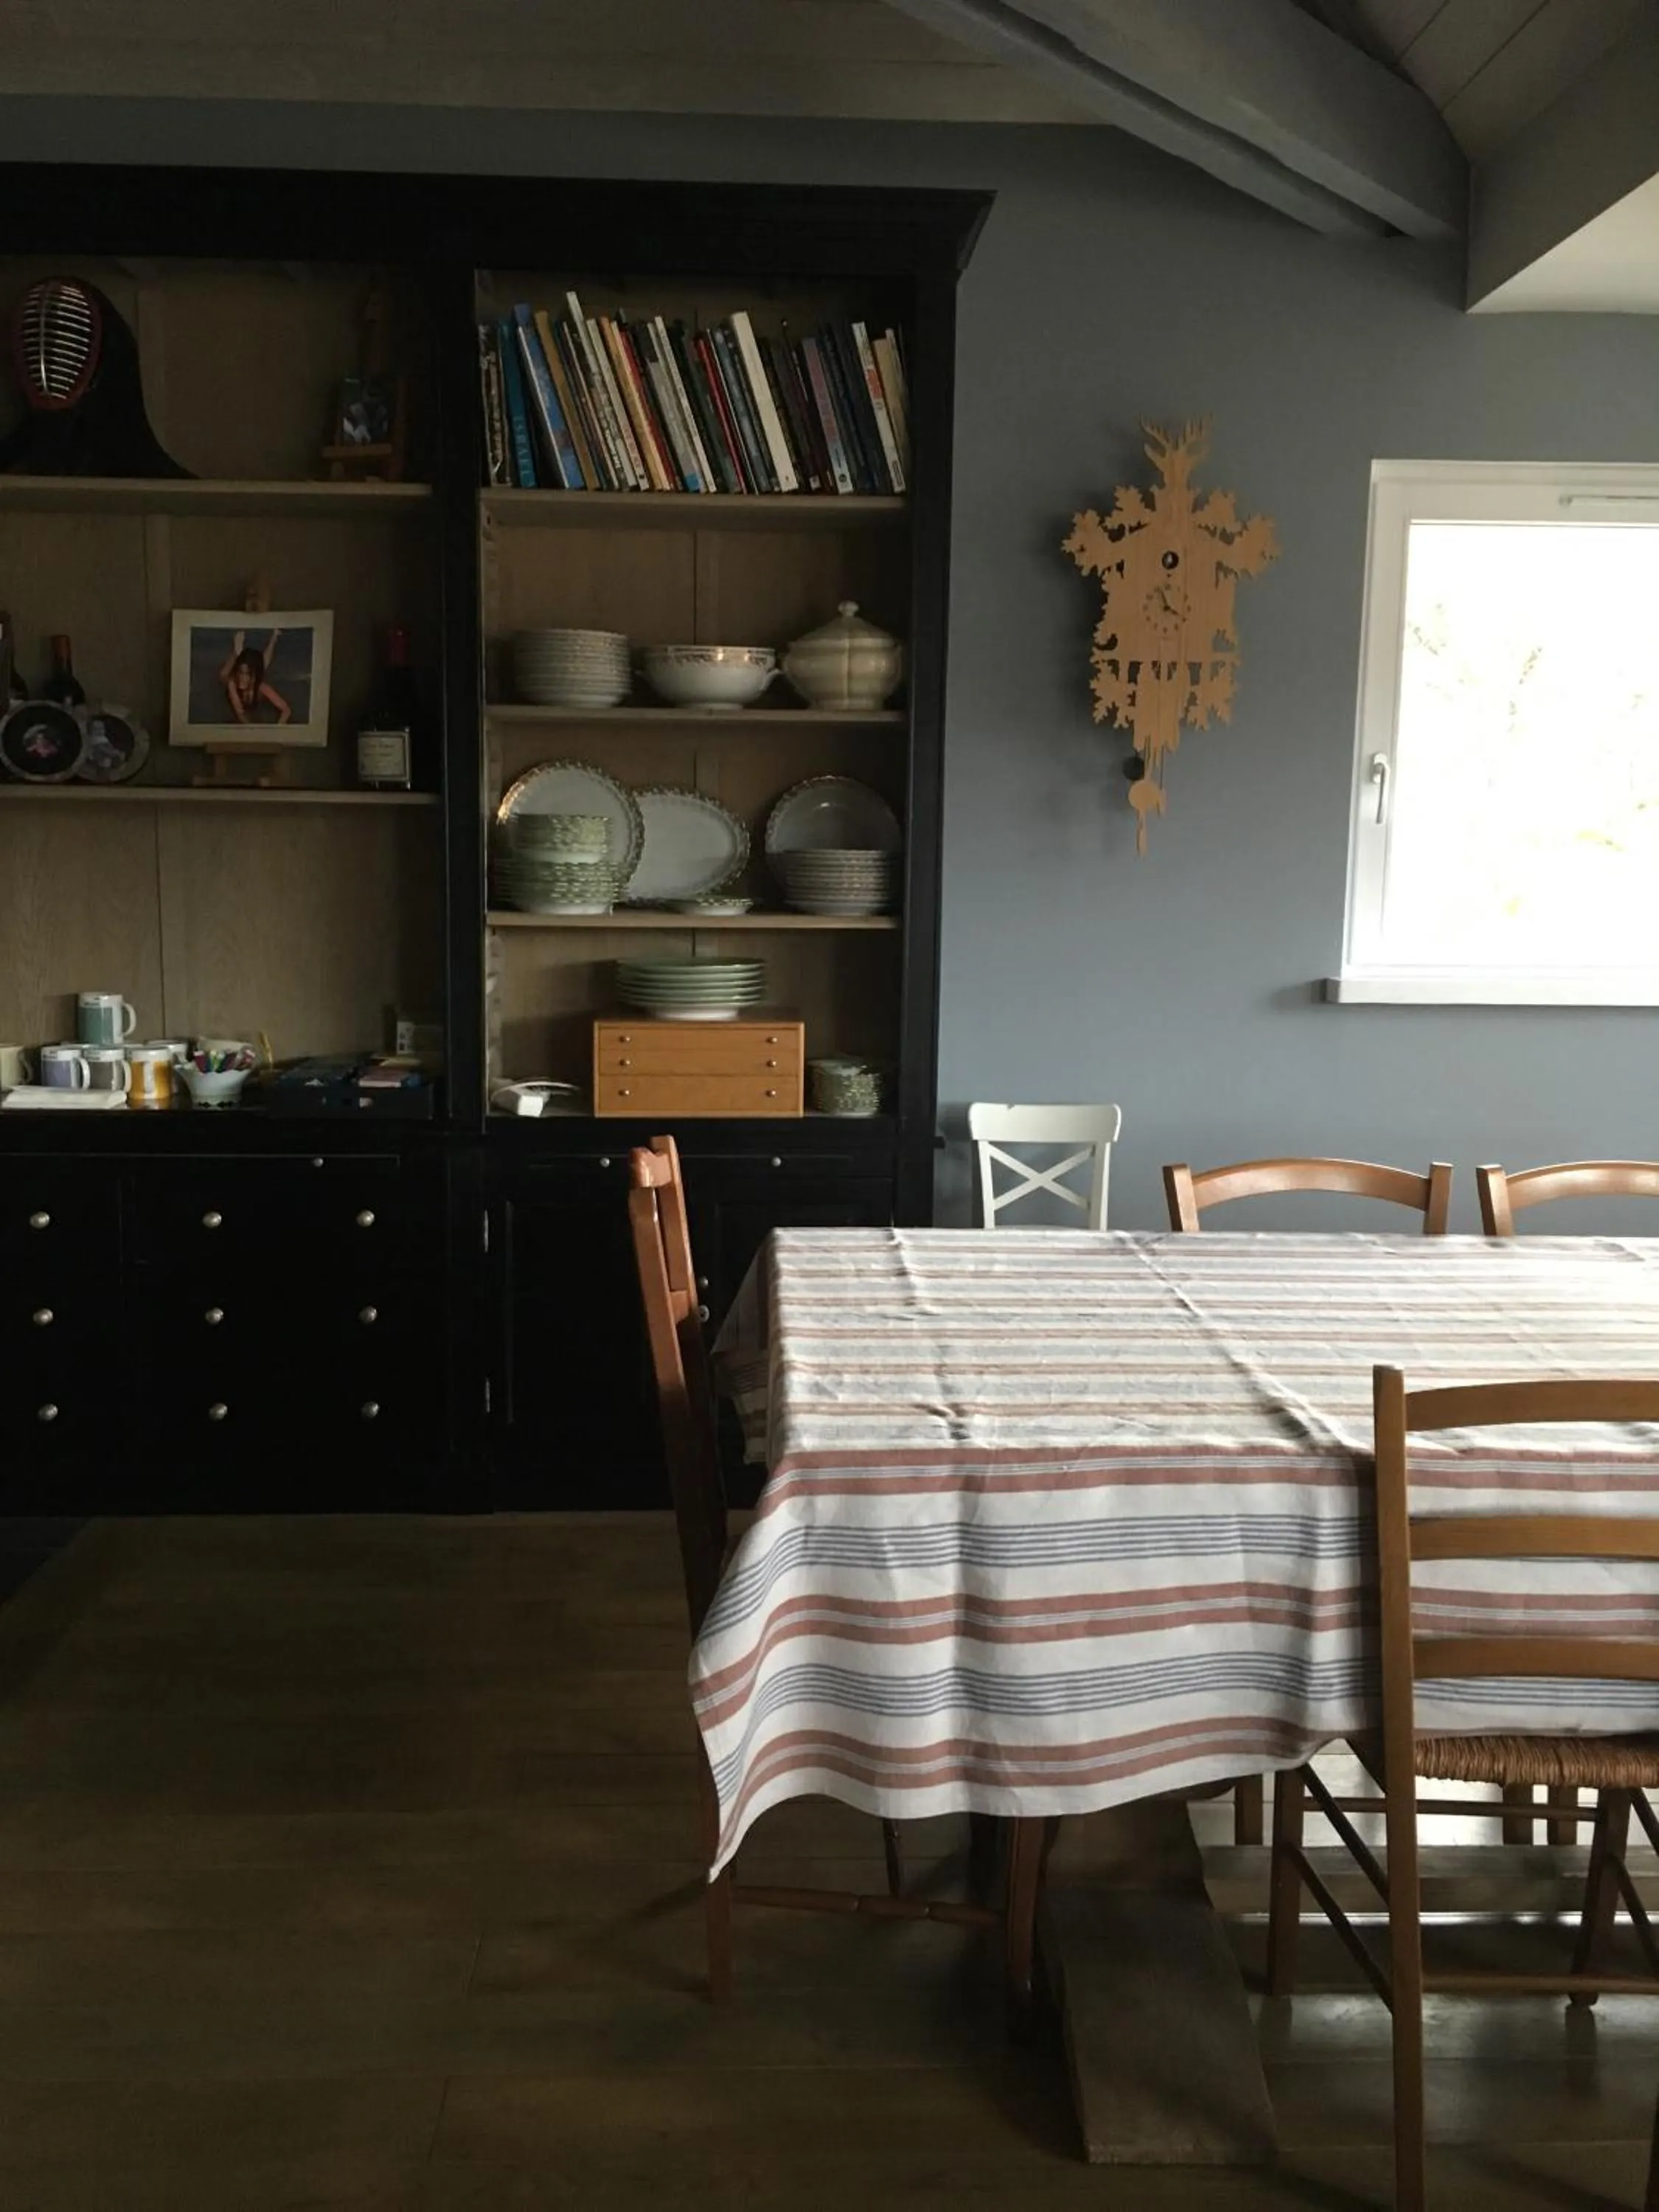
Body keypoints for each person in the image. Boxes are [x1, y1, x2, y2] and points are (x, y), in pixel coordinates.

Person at [217, 630, 291, 725]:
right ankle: (236, 652)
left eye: (247, 675)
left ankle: (274, 638)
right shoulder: (233, 683)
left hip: (255, 678)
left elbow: (286, 710)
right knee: (223, 675)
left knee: (262, 665)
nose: (242, 678)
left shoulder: (261, 687)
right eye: (241, 673)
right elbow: (241, 715)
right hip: (230, 682)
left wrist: (276, 730)